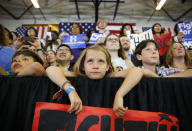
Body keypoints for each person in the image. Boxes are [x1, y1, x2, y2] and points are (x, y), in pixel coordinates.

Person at [46, 45, 157, 115]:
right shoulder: (76, 75)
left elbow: (137, 71)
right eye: (90, 61)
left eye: (101, 61)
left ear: (107, 66)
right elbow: (51, 69)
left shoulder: (112, 75)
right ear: (83, 66)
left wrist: (119, 95)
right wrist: (70, 90)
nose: (95, 66)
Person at [113, 40, 192, 117]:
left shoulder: (165, 71)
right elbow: (116, 74)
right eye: (148, 49)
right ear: (139, 57)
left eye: (156, 49)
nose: (154, 52)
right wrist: (119, 95)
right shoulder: (133, 70)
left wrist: (165, 78)